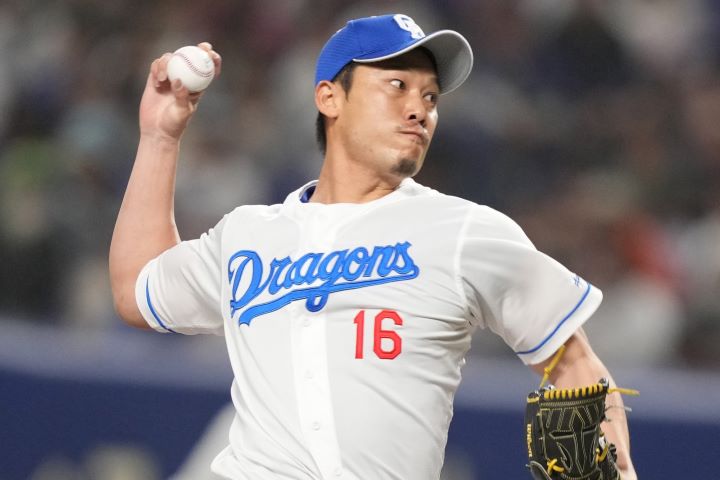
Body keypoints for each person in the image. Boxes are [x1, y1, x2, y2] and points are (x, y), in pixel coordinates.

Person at [109, 13, 637, 480]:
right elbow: (137, 290)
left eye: (430, 97)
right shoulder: (248, 234)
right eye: (397, 85)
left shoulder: (464, 232)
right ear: (329, 97)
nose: (419, 110)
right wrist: (160, 138)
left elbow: (574, 364)